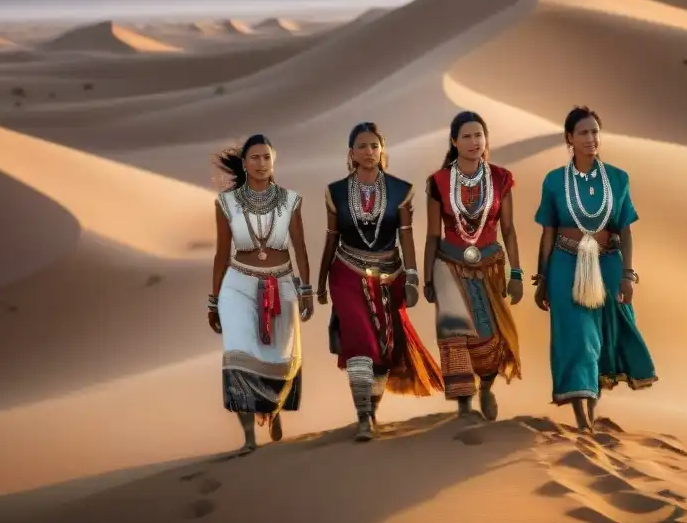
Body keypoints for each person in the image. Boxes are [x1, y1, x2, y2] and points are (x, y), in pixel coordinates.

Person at [316, 122, 444, 441]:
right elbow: (331, 237)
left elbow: (406, 236)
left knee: (386, 348)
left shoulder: (400, 190)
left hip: (391, 275)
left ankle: (371, 409)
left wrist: (413, 277)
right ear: (351, 153)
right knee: (361, 341)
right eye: (362, 146)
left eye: (375, 146)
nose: (369, 152)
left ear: (382, 150)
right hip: (346, 272)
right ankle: (363, 417)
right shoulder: (336, 192)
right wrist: (319, 282)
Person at [533, 106, 657, 432]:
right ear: (569, 138)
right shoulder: (554, 181)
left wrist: (629, 275)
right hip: (565, 265)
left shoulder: (618, 179)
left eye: (595, 132)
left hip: (608, 265)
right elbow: (547, 231)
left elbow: (626, 230)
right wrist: (542, 278)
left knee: (603, 340)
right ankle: (583, 420)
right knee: (578, 337)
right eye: (583, 133)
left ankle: (591, 406)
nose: (591, 139)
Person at [209, 134, 314, 454]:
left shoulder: (290, 200)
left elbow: (300, 247)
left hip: (282, 284)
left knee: (279, 359)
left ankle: (275, 407)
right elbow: (220, 254)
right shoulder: (225, 203)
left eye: (266, 157)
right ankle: (249, 439)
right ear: (244, 164)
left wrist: (306, 289)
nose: (261, 163)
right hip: (238, 286)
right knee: (238, 358)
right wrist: (213, 301)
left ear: (274, 161)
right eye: (254, 158)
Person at [423, 110, 523, 420]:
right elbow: (431, 234)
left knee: (488, 337)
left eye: (478, 135)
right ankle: (464, 406)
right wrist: (427, 278)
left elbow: (508, 229)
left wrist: (516, 274)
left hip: (490, 267)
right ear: (454, 141)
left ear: (486, 139)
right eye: (466, 136)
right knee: (454, 334)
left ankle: (486, 387)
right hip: (448, 266)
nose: (473, 141)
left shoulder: (500, 178)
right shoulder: (438, 182)